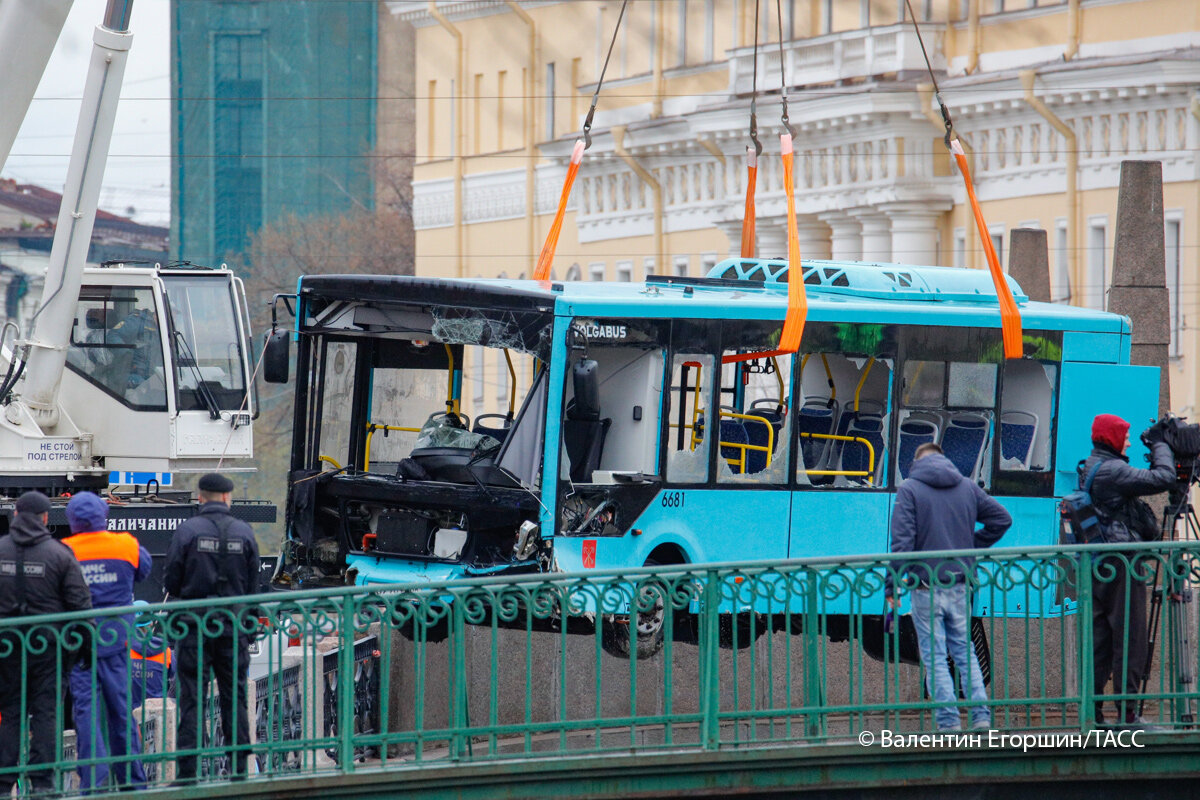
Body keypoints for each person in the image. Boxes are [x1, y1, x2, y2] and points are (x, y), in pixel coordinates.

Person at [886, 442, 1012, 732]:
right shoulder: (967, 487)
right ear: (944, 459)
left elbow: (902, 542)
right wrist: (969, 548)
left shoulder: (910, 489)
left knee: (934, 656)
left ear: (917, 462)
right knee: (965, 652)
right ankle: (981, 717)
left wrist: (892, 585)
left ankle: (948, 722)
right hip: (960, 584)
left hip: (925, 586)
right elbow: (1002, 519)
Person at [163, 473, 260, 782]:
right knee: (235, 698)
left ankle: (188, 773)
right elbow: (254, 587)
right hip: (233, 627)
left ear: (200, 497)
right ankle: (239, 770)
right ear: (228, 498)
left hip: (194, 627)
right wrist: (249, 627)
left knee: (191, 699)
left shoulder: (188, 530)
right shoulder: (244, 532)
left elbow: (171, 581)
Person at [1081, 413, 1175, 729]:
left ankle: (1093, 714)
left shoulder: (1093, 464)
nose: (1130, 442)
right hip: (1122, 565)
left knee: (1102, 641)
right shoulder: (1114, 470)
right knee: (1130, 638)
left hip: (1101, 563)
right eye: (1126, 436)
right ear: (1112, 438)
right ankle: (1128, 715)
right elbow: (1164, 477)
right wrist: (1161, 444)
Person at [0, 491, 93, 796]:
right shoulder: (60, 554)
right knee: (46, 713)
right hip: (49, 649)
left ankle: (3, 782)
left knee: (9, 713)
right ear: (44, 518)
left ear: (15, 515)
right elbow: (81, 606)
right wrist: (86, 649)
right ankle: (42, 783)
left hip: (7, 646)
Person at [62, 492, 152, 791]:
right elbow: (144, 571)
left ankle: (92, 778)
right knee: (121, 709)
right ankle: (132, 780)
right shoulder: (126, 544)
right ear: (103, 516)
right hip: (118, 640)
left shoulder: (65, 551)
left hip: (80, 643)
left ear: (72, 520)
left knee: (85, 711)